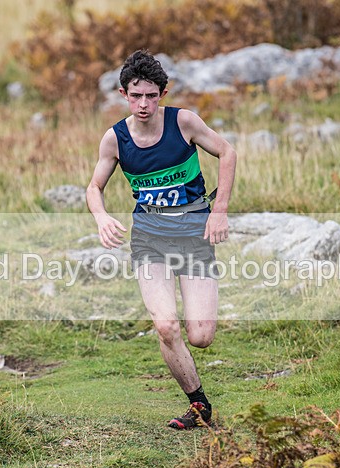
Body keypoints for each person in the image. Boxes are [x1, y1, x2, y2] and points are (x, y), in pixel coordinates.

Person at [86, 50, 237, 429]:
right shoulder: (115, 139)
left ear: (162, 94)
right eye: (136, 95)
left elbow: (227, 152)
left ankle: (195, 385)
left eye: (151, 95)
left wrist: (219, 210)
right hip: (149, 238)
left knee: (201, 336)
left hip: (193, 234)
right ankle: (199, 404)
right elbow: (94, 186)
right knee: (166, 326)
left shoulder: (183, 122)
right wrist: (101, 215)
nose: (143, 104)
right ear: (124, 94)